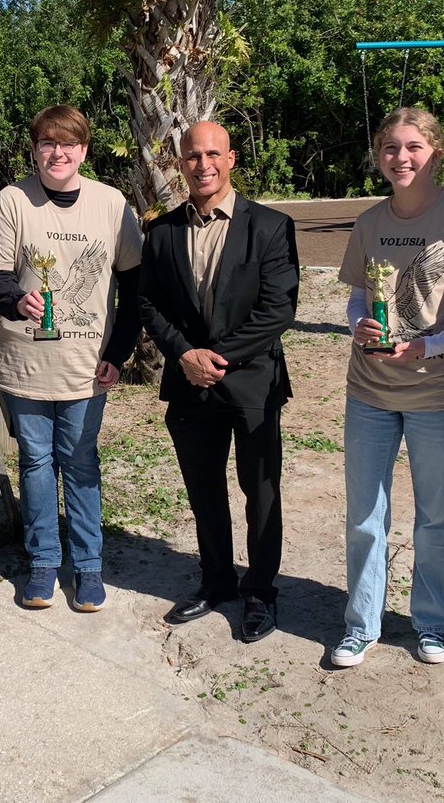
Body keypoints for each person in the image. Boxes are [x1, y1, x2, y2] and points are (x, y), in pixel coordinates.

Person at [330, 108, 444, 669]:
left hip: (437, 393)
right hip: (370, 392)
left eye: (412, 147)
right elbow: (359, 292)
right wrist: (358, 322)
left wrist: (434, 344)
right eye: (389, 148)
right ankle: (361, 624)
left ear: (433, 150)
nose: (400, 158)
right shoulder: (369, 222)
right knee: (364, 515)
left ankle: (431, 623)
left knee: (434, 516)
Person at [139, 121, 299, 643]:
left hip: (251, 384)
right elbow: (148, 303)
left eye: (212, 154)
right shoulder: (160, 232)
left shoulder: (270, 226)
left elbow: (278, 310)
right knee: (203, 491)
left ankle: (261, 592)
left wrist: (216, 358)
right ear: (179, 162)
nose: (202, 164)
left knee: (261, 493)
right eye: (191, 156)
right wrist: (185, 354)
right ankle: (215, 582)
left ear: (231, 159)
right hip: (189, 386)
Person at [0, 105, 143, 612]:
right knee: (35, 461)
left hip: (87, 363)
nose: (58, 153)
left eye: (68, 144)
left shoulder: (112, 204)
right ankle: (44, 562)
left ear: (84, 151)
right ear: (35, 149)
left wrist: (120, 353)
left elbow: (134, 288)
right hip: (26, 364)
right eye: (48, 143)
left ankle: (89, 568)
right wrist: (15, 300)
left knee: (80, 461)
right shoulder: (12, 201)